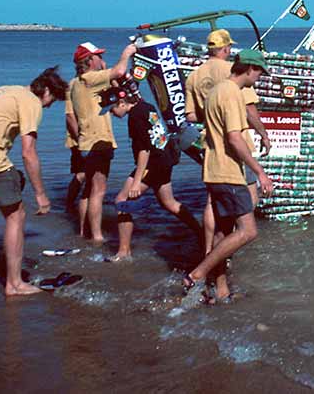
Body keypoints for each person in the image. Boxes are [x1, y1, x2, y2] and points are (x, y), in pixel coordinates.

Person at [0, 66, 68, 296]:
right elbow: (28, 152)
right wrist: (41, 194)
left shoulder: (4, 89)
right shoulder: (31, 102)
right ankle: (15, 284)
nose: (48, 106)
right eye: (52, 100)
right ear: (45, 90)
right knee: (16, 215)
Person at [183, 49, 274, 305]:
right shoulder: (233, 93)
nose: (258, 78)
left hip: (212, 168)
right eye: (258, 72)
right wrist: (260, 172)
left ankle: (221, 290)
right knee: (248, 231)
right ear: (249, 69)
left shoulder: (216, 91)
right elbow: (235, 138)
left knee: (224, 233)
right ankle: (197, 274)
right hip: (228, 172)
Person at [106, 93, 204, 262]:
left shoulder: (135, 117)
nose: (111, 114)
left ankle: (123, 252)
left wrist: (137, 182)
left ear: (121, 103)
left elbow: (144, 150)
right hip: (165, 158)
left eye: (111, 109)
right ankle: (202, 234)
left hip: (154, 163)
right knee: (169, 203)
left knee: (122, 201)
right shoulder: (146, 106)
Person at [69, 40, 137, 242]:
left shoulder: (80, 82)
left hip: (88, 142)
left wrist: (117, 86)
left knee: (90, 189)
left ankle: (85, 232)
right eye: (98, 56)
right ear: (89, 60)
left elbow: (116, 111)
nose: (102, 59)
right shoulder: (89, 79)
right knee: (99, 191)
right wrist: (127, 52)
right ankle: (97, 237)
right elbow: (118, 70)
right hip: (96, 142)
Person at [63, 83, 87, 236]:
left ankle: (70, 204)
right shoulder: (73, 86)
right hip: (80, 140)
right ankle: (71, 204)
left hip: (85, 138)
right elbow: (70, 116)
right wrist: (80, 138)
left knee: (81, 174)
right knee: (82, 174)